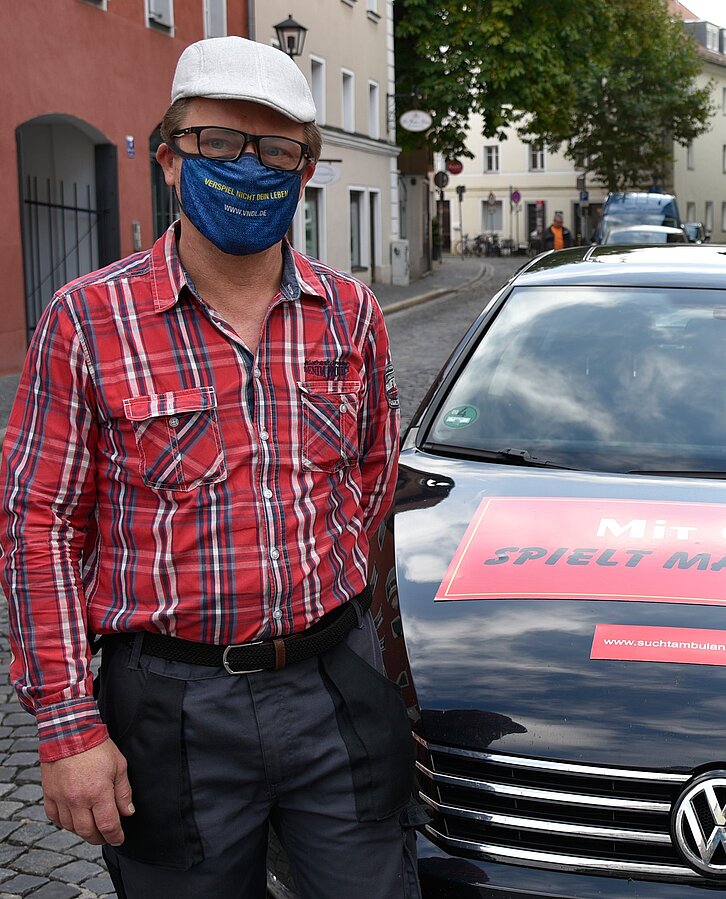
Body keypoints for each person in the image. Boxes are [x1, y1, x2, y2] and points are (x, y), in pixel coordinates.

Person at [0, 36, 421, 898]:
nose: (249, 168)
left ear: (305, 170)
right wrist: (69, 724)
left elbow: (370, 479)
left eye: (277, 151)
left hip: (333, 682)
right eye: (219, 143)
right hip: (170, 702)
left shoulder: (352, 314)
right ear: (168, 158)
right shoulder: (87, 319)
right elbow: (37, 525)